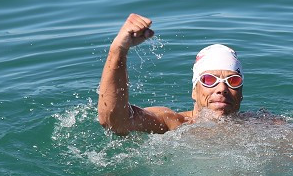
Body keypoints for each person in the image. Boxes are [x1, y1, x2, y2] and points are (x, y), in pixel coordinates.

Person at [98, 13, 246, 135]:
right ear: (194, 91)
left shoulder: (259, 124)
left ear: (241, 93)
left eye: (232, 81)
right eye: (209, 80)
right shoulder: (173, 123)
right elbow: (115, 122)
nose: (222, 88)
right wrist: (118, 50)